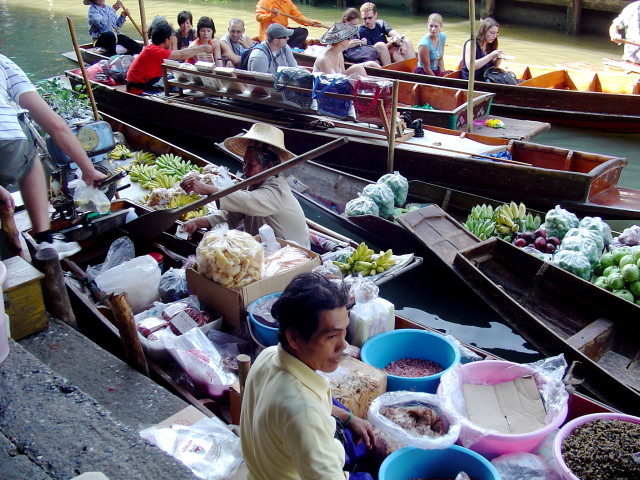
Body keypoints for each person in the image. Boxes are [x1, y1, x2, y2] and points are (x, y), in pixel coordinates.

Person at [240, 272, 375, 480]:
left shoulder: (268, 356)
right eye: (331, 336)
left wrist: (349, 418)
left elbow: (313, 404)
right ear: (294, 337)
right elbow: (305, 411)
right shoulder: (304, 414)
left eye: (344, 332)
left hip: (262, 470)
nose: (344, 345)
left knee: (341, 414)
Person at [0, 54, 106, 259]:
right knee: (30, 160)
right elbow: (56, 126)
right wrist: (88, 169)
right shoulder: (3, 62)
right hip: (9, 144)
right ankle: (44, 239)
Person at [180, 123, 310, 249]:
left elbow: (248, 201)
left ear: (269, 167)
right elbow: (231, 216)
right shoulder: (252, 185)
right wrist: (197, 222)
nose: (245, 169)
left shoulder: (277, 191)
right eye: (244, 163)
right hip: (262, 250)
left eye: (251, 165)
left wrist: (205, 188)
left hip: (290, 256)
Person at [126, 21, 213, 94]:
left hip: (143, 84)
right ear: (166, 40)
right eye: (170, 38)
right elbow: (182, 54)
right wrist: (203, 47)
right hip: (139, 90)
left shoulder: (152, 48)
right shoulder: (155, 51)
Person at [255, 0, 323, 50]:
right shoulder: (265, 1)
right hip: (270, 34)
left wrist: (311, 23)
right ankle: (284, 49)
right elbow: (258, 17)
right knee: (277, 38)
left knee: (303, 32)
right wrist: (270, 16)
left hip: (284, 31)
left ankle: (291, 50)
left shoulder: (287, 2)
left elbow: (298, 16)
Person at [461, 17, 502, 81]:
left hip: (486, 79)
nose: (494, 36)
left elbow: (492, 68)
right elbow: (470, 66)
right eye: (492, 33)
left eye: (496, 33)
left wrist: (498, 59)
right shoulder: (472, 44)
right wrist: (490, 56)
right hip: (472, 81)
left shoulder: (490, 46)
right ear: (482, 30)